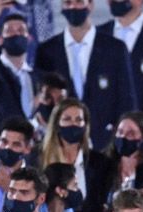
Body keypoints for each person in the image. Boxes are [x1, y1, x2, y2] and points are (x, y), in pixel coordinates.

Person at [35, 0, 137, 149]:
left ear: (90, 5)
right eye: (68, 3)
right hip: (60, 144)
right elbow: (43, 100)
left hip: (105, 144)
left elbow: (126, 100)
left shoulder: (115, 49)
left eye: (78, 2)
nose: (73, 7)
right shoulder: (46, 51)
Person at [38, 99, 114, 212]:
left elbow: (100, 207)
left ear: (85, 125)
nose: (73, 124)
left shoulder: (100, 163)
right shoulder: (38, 159)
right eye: (67, 119)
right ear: (57, 124)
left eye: (78, 120)